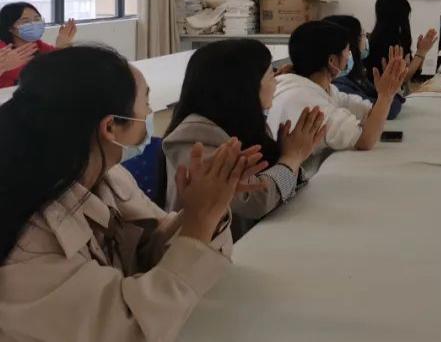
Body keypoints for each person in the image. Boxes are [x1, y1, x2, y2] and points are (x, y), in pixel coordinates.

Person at [0, 46, 265, 341]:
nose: (150, 114)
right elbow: (127, 329)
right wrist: (199, 224)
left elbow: (147, 250)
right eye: (146, 103)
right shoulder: (28, 238)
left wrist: (203, 211)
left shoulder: (109, 178)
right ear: (110, 127)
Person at [162, 39, 328, 239]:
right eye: (270, 75)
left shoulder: (244, 123)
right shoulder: (193, 139)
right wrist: (291, 158)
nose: (276, 82)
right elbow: (254, 201)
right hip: (205, 252)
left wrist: (287, 154)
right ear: (246, 87)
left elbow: (277, 187)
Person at [267, 21, 409, 175]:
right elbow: (365, 140)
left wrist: (385, 94)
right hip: (295, 180)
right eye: (347, 50)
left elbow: (367, 111)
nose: (350, 55)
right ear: (332, 61)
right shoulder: (307, 99)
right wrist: (386, 95)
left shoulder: (317, 87)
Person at [325, 14, 409, 120]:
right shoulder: (339, 84)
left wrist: (390, 87)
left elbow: (382, 99)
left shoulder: (355, 75)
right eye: (363, 35)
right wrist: (389, 91)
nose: (366, 40)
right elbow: (388, 109)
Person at [362, 0, 438, 85]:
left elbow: (414, 74)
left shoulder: (398, 38)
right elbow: (401, 80)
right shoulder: (384, 42)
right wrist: (421, 52)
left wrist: (421, 53)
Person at [0, 2, 77, 88]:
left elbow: (64, 68)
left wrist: (63, 45)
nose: (34, 24)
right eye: (25, 21)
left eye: (37, 19)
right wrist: (2, 67)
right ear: (10, 28)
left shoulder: (38, 45)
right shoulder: (3, 49)